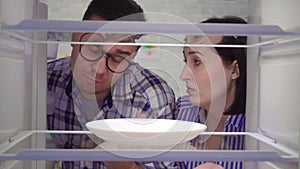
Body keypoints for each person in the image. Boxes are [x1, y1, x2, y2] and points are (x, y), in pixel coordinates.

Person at [47, 0, 176, 169]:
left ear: (132, 56)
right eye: (92, 49)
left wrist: (124, 164)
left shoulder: (153, 98)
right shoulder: (47, 78)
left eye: (118, 58)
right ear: (75, 37)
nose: (99, 70)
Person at [174, 16, 247, 169]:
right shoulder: (180, 111)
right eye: (185, 61)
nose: (183, 75)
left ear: (234, 70)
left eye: (197, 61)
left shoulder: (259, 129)